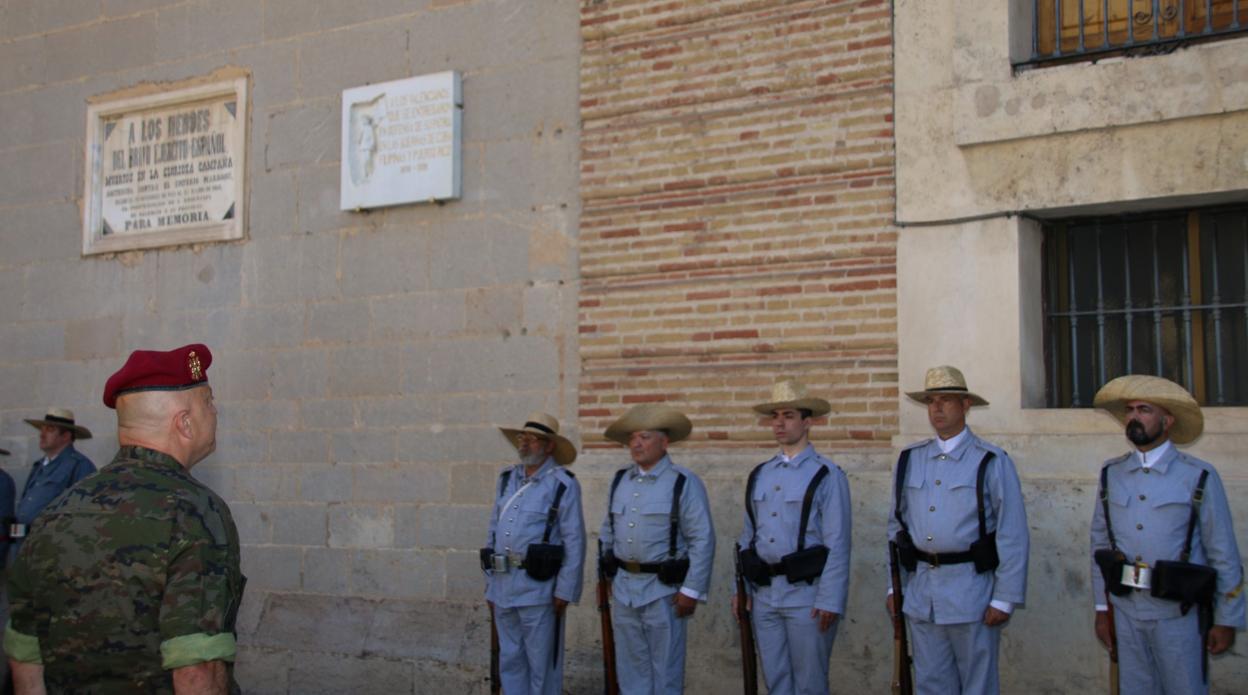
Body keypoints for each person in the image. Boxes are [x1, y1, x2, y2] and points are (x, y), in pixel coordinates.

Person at [4, 344, 245, 694]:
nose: (215, 410)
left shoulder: (56, 510)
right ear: (185, 423)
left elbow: (25, 654)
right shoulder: (195, 511)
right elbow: (197, 671)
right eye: (208, 400)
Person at [1090, 375, 1244, 693]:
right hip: (1127, 610)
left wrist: (1227, 618)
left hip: (1178, 613)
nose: (1134, 417)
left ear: (1167, 420)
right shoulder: (1112, 473)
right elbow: (1100, 544)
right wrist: (1102, 609)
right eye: (1130, 410)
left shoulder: (1197, 476)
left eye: (1144, 409)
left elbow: (1222, 550)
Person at [885, 366, 1029, 695]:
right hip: (923, 594)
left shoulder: (990, 460)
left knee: (977, 686)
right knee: (931, 685)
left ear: (965, 406)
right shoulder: (910, 459)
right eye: (931, 401)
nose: (937, 408)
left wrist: (1005, 598)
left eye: (946, 400)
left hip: (972, 593)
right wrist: (895, 587)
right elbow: (896, 528)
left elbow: (1013, 533)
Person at [733, 378, 851, 695]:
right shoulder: (760, 474)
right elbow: (748, 537)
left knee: (810, 682)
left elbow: (838, 542)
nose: (780, 423)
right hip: (765, 594)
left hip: (807, 596)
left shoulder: (827, 475)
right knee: (775, 680)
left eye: (788, 415)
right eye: (775, 416)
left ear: (807, 421)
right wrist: (742, 589)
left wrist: (830, 599)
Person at [598, 404, 715, 695]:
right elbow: (607, 531)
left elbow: (702, 539)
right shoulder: (620, 481)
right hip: (625, 589)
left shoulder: (683, 483)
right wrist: (606, 577)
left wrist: (691, 590)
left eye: (645, 437)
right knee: (630, 669)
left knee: (666, 671)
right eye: (632, 438)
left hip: (664, 591)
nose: (636, 444)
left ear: (664, 442)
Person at [483, 412, 586, 695]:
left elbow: (574, 541)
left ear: (549, 446)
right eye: (521, 438)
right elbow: (493, 531)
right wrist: (490, 585)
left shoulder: (563, 483)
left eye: (532, 439)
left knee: (543, 666)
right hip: (503, 585)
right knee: (511, 661)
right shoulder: (507, 479)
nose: (524, 444)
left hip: (539, 588)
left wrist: (564, 591)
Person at [14, 408, 96, 546]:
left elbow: (83, 514)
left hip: (51, 546)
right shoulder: (39, 466)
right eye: (42, 429)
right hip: (24, 543)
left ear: (65, 436)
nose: (42, 434)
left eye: (50, 429)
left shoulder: (80, 465)